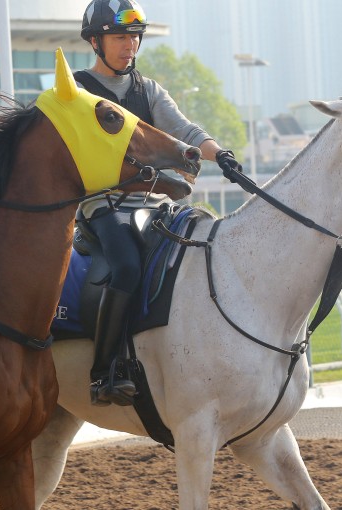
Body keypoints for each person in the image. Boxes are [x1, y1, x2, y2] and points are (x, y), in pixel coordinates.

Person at [76, 0, 244, 407]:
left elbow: (185, 130)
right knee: (127, 266)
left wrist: (219, 154)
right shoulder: (79, 92)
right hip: (104, 206)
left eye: (135, 37)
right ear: (96, 42)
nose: (130, 46)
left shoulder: (147, 89)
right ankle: (104, 373)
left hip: (153, 205)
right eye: (120, 37)